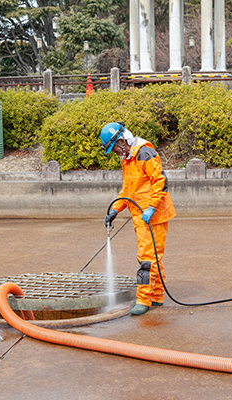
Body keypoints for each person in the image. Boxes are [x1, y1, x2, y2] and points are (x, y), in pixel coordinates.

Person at [100, 122, 176, 315]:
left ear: (121, 140)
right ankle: (157, 296)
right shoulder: (128, 159)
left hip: (154, 216)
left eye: (114, 148)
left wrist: (151, 207)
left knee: (147, 258)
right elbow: (128, 190)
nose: (115, 153)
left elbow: (160, 181)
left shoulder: (144, 153)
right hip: (141, 217)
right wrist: (115, 210)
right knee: (154, 258)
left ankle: (143, 300)